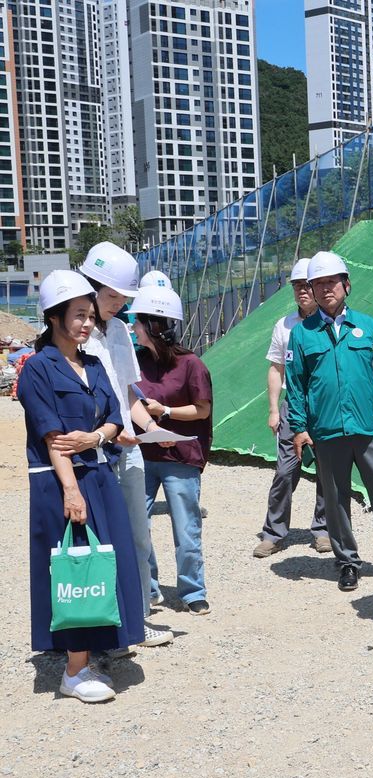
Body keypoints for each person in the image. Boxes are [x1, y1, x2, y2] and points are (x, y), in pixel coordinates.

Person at [19, 271, 146, 702]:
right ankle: (74, 670)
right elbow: (53, 438)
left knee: (108, 561)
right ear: (54, 317)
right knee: (76, 568)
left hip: (99, 473)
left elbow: (113, 415)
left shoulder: (92, 364)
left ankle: (102, 642)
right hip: (62, 482)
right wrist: (71, 491)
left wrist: (96, 437)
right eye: (78, 315)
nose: (87, 324)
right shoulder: (37, 368)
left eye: (90, 316)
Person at [286, 251, 373, 592]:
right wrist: (299, 427)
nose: (326, 289)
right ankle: (347, 563)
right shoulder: (302, 334)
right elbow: (295, 385)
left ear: (346, 285)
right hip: (326, 430)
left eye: (331, 282)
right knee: (336, 500)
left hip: (368, 427)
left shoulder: (368, 327)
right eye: (318, 283)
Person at [78, 242, 172, 647]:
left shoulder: (118, 330)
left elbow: (127, 393)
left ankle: (139, 618)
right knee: (101, 540)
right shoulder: (69, 335)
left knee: (138, 535)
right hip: (94, 451)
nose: (117, 304)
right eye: (112, 295)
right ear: (90, 285)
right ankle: (101, 627)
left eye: (122, 297)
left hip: (129, 448)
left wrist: (152, 428)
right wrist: (112, 431)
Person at [133, 285, 215, 616]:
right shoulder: (134, 361)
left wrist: (163, 412)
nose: (133, 327)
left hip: (181, 458)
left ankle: (193, 591)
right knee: (138, 524)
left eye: (138, 321)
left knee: (186, 527)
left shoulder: (191, 364)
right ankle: (148, 588)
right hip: (142, 455)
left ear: (155, 325)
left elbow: (202, 411)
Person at [253, 257, 331, 557]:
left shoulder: (329, 323)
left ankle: (323, 530)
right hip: (292, 406)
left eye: (305, 285)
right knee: (286, 471)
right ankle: (273, 532)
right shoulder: (283, 326)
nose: (301, 291)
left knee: (327, 471)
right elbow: (276, 369)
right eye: (297, 286)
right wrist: (274, 409)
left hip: (323, 406)